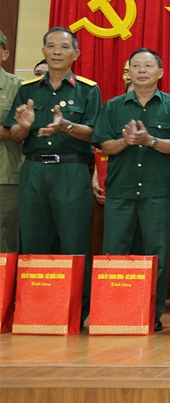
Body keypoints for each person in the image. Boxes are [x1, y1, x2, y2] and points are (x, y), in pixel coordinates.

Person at [4, 27, 101, 324]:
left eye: (64, 47)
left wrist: (66, 126)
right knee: (33, 240)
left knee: (73, 242)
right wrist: (24, 126)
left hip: (71, 170)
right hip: (33, 170)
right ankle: (35, 310)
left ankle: (74, 313)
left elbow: (96, 134)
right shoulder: (28, 89)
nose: (57, 51)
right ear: (43, 51)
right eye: (51, 46)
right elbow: (16, 134)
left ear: (76, 53)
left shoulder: (88, 89)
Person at [92, 47, 170, 332]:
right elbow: (104, 145)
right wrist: (125, 141)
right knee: (114, 252)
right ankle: (112, 311)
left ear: (160, 72)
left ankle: (151, 313)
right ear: (128, 72)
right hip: (120, 191)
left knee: (156, 253)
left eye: (148, 66)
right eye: (136, 66)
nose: (142, 70)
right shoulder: (113, 106)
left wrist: (150, 141)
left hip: (156, 192)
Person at [0, 31, 24, 252]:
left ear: (5, 54)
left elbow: (26, 130)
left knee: (5, 240)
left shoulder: (19, 87)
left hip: (5, 176)